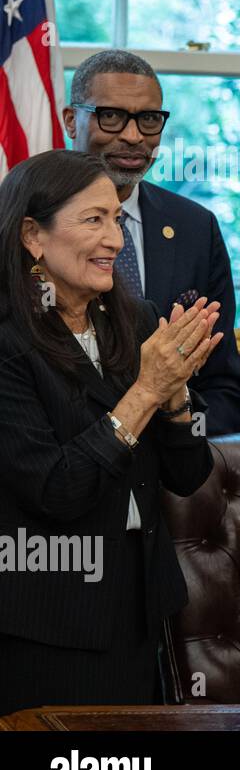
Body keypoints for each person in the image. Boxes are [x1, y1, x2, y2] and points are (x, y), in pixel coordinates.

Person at [0, 150, 221, 716]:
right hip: (47, 618)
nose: (116, 241)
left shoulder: (139, 319)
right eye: (93, 220)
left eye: (116, 219)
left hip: (141, 606)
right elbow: (56, 489)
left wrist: (174, 397)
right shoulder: (8, 343)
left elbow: (188, 474)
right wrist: (146, 390)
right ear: (33, 236)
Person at [63, 50, 240, 436]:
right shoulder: (26, 224)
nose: (133, 137)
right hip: (64, 471)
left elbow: (223, 386)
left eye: (148, 120)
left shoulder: (197, 227)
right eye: (111, 116)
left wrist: (183, 452)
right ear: (70, 120)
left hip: (172, 480)